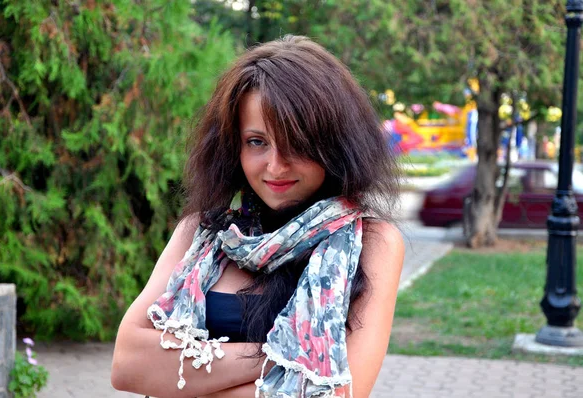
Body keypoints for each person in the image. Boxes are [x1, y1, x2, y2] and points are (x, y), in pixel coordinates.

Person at [111, 35, 404, 398]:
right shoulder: (201, 233)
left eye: (296, 142)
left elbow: (341, 393)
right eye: (257, 142)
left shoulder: (371, 243)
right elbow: (127, 364)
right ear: (233, 146)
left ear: (335, 145)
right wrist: (288, 361)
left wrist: (182, 378)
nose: (276, 166)